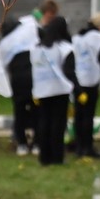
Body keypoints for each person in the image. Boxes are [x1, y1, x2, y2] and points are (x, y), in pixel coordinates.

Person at [0, 0, 59, 156]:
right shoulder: (31, 28)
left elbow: (3, 65)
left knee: (20, 111)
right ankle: (37, 143)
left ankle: (22, 144)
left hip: (18, 78)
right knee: (37, 110)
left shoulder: (6, 43)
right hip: (33, 76)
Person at [30, 15, 74, 166]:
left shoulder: (37, 48)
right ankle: (57, 157)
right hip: (60, 90)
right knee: (58, 125)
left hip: (41, 90)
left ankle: (44, 157)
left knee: (43, 123)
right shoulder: (65, 48)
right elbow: (69, 71)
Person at [69, 12, 100, 158]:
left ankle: (78, 146)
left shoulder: (78, 37)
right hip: (90, 80)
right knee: (88, 115)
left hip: (78, 80)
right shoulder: (98, 38)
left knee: (79, 115)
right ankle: (87, 147)